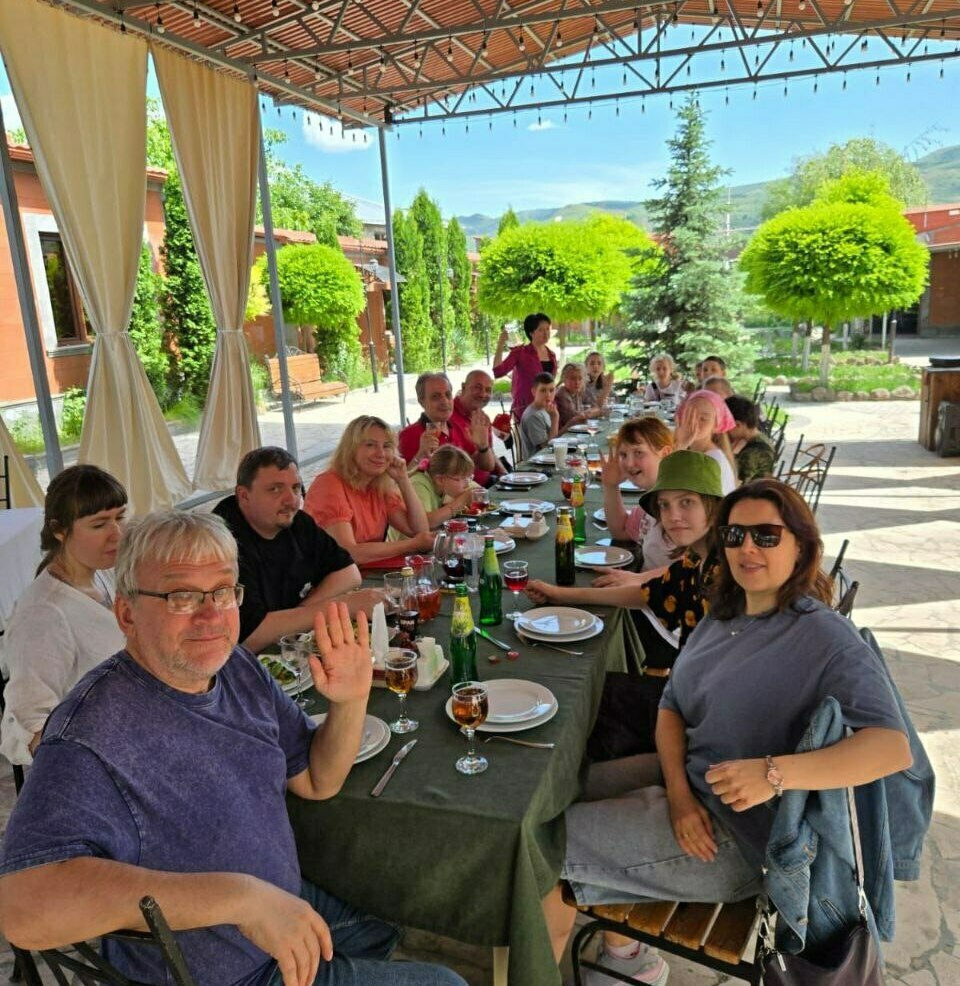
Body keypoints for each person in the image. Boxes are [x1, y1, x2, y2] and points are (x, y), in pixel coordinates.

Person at [0, 511, 466, 986]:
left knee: (392, 914)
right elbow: (23, 908)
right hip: (226, 973)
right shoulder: (91, 733)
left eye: (222, 591)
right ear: (127, 613)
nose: (210, 616)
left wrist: (350, 700)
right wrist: (240, 899)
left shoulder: (237, 669)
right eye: (181, 597)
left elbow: (317, 780)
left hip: (281, 901)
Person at [541, 480, 912, 986]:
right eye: (735, 535)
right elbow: (671, 707)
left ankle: (569, 961)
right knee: (546, 800)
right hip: (688, 783)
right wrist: (678, 795)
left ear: (801, 546)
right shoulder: (724, 613)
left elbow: (891, 747)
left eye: (766, 535)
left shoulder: (824, 636)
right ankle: (622, 951)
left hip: (736, 838)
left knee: (544, 845)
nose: (747, 548)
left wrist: (774, 773)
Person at [528, 450, 724, 688]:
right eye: (664, 505)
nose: (673, 516)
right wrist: (560, 595)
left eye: (686, 502)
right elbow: (646, 594)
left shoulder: (723, 570)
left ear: (715, 508)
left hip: (706, 698)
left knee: (587, 689)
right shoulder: (696, 558)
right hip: (689, 688)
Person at [0, 465, 127, 767]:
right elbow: (27, 725)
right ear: (59, 530)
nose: (117, 534)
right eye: (99, 524)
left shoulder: (102, 574)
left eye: (120, 517)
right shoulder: (43, 614)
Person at [214, 447, 380, 654]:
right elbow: (250, 636)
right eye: (275, 489)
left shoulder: (296, 522)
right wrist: (342, 605)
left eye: (296, 488)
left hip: (292, 649)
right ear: (244, 496)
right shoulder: (221, 541)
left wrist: (300, 613)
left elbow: (349, 574)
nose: (291, 500)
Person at [304, 416, 434, 567]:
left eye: (387, 446)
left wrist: (403, 479)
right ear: (350, 449)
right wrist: (412, 544)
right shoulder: (328, 484)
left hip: (365, 573)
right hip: (329, 577)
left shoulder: (378, 485)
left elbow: (419, 530)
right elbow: (348, 553)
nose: (381, 453)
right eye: (370, 445)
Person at [597, 418, 675, 572]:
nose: (629, 463)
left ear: (665, 454)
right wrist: (611, 486)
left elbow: (687, 568)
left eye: (638, 453)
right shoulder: (652, 498)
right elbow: (621, 531)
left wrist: (637, 579)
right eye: (623, 455)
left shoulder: (676, 505)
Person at [388, 446, 477, 539]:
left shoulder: (444, 484)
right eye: (462, 478)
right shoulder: (419, 484)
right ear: (440, 480)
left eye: (469, 477)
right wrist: (460, 502)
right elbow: (425, 524)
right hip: (406, 544)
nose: (467, 483)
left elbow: (478, 491)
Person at [493, 313, 558, 422]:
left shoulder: (552, 355)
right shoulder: (520, 353)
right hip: (525, 410)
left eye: (547, 329)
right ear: (531, 333)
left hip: (548, 409)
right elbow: (498, 371)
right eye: (541, 330)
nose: (546, 333)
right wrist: (500, 345)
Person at [673, 389, 738, 493]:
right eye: (689, 415)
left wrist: (679, 446)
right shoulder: (694, 453)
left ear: (716, 425)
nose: (694, 422)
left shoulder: (711, 462)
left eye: (703, 419)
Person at [449, 369, 505, 486]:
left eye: (488, 390)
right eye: (477, 388)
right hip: (469, 490)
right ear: (463, 387)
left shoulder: (482, 418)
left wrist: (504, 472)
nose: (483, 394)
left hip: (489, 482)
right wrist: (482, 448)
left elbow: (489, 451)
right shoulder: (448, 415)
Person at [397, 372, 457, 464]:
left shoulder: (458, 427)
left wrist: (480, 447)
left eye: (448, 395)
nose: (444, 401)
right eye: (436, 397)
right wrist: (420, 455)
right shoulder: (408, 435)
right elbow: (401, 472)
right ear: (422, 401)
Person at [726, 396, 777, 482]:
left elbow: (734, 482)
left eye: (726, 426)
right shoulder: (761, 438)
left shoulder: (752, 453)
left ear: (738, 425)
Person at [519, 372, 560, 457]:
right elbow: (548, 448)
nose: (548, 395)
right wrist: (555, 418)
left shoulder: (546, 409)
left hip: (549, 458)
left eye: (551, 390)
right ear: (534, 392)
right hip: (537, 462)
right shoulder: (533, 416)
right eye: (543, 390)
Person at [554, 362, 590, 431]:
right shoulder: (562, 394)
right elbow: (573, 417)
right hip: (562, 433)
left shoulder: (576, 393)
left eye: (580, 379)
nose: (577, 382)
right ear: (564, 379)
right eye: (573, 379)